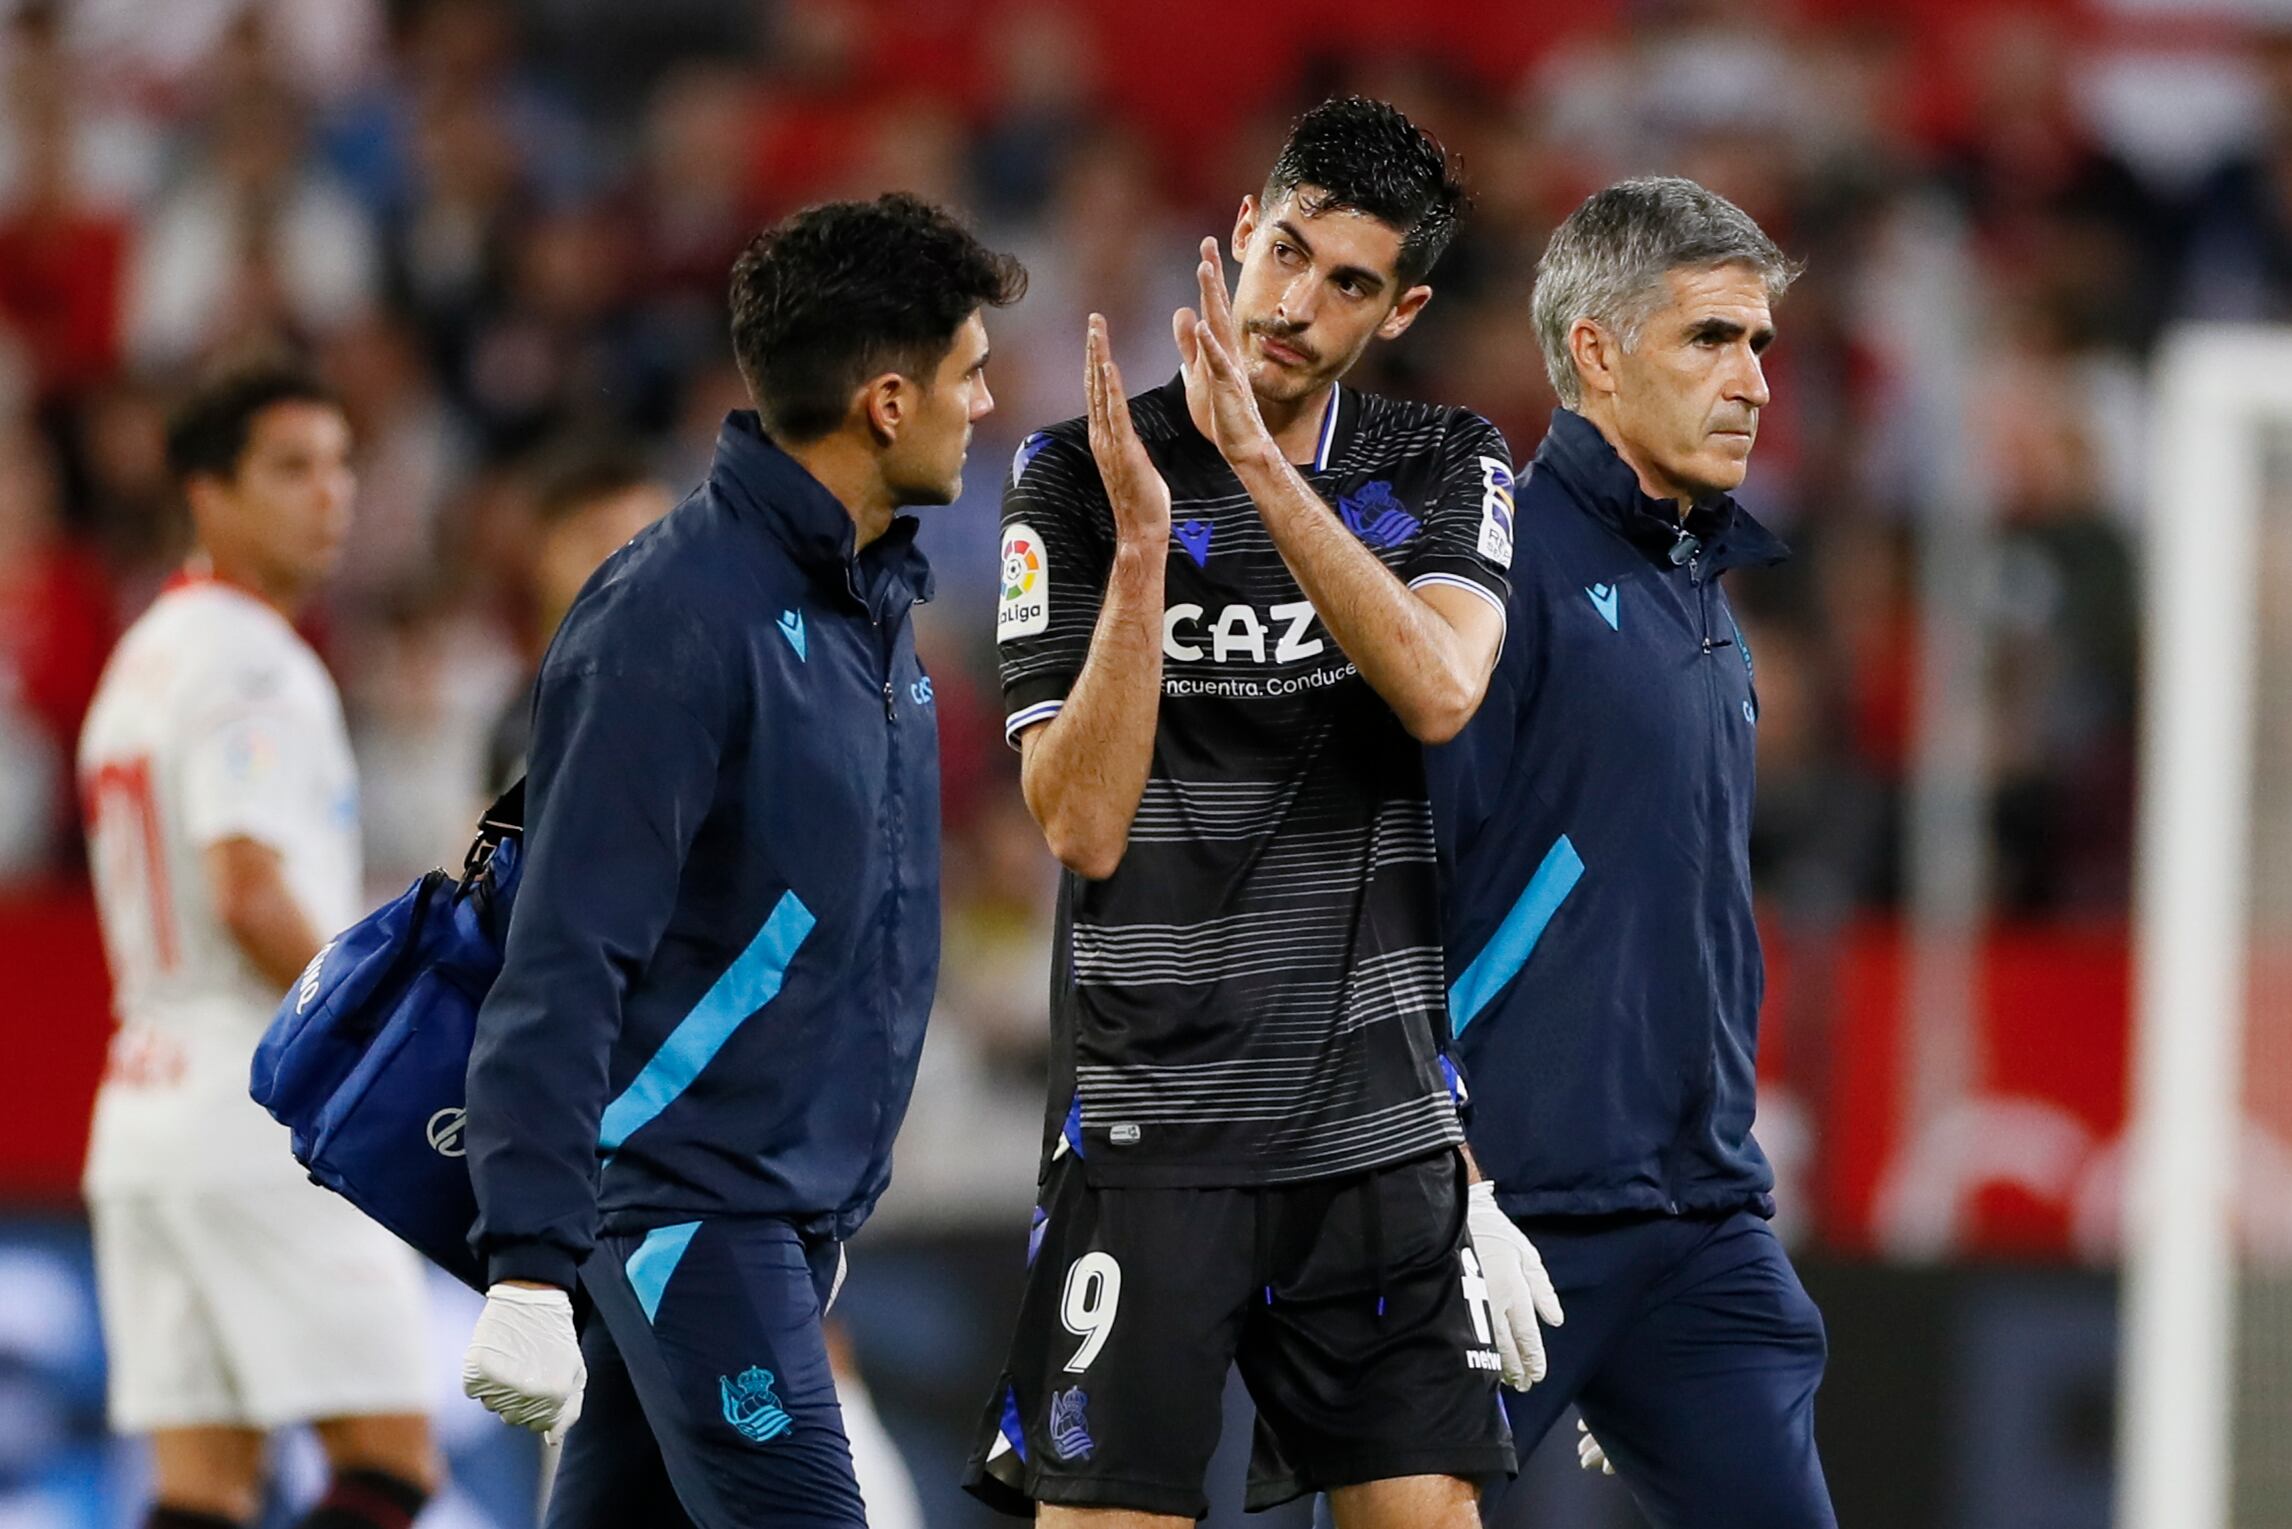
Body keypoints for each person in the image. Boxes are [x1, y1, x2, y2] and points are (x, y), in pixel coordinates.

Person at [966, 96, 1560, 1529]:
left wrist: (1264, 474)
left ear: (1401, 310)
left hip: (1375, 1139)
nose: (1296, 304)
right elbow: (1080, 825)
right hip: (1150, 1129)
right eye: (1287, 251)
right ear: (1242, 229)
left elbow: (1440, 688)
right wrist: (1143, 559)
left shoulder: (1442, 458)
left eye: (1349, 282)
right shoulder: (1079, 470)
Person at [454, 192, 1023, 1529]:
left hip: (769, 1207)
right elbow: (567, 942)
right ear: (888, 401)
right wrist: (528, 1254)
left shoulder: (870, 612)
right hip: (690, 1206)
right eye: (970, 372)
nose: (987, 403)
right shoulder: (674, 614)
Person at [1425, 177, 1837, 1528]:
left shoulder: (1697, 585)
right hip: (1507, 1199)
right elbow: (1386, 889)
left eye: (1760, 343)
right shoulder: (1494, 573)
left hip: (1699, 1218)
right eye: (1711, 337)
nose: (1753, 380)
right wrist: (1444, 1176)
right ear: (1595, 353)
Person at [77, 364, 437, 1529]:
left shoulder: (144, 653)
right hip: (262, 1105)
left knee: (203, 1488)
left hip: (145, 1103)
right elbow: (245, 884)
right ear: (206, 492)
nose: (330, 495)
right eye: (290, 468)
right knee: (392, 1458)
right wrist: (385, 1029)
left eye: (340, 465)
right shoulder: (252, 663)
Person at [483, 442, 673, 792]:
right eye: (601, 548)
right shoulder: (520, 733)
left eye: (654, 547)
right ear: (541, 554)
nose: (631, 574)